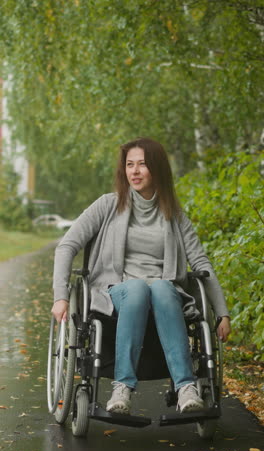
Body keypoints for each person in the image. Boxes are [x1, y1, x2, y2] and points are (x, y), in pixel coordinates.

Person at [52, 137, 231, 415]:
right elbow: (67, 246)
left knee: (160, 287)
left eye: (142, 165)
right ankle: (122, 387)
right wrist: (61, 297)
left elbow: (200, 262)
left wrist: (222, 312)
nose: (134, 171)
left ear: (157, 169)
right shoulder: (107, 205)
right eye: (129, 165)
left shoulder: (174, 214)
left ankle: (186, 387)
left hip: (164, 294)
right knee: (136, 288)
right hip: (118, 292)